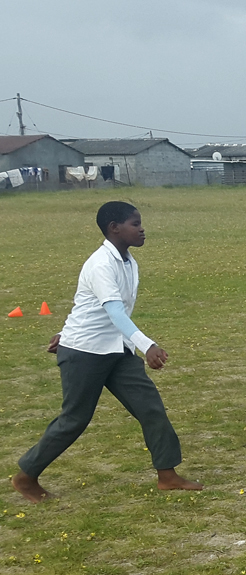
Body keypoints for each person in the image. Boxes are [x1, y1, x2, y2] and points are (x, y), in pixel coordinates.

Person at [11, 201, 202, 502]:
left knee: (150, 408)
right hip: (85, 352)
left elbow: (90, 305)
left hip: (117, 350)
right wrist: (147, 344)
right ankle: (26, 476)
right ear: (115, 228)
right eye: (135, 224)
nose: (142, 229)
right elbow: (113, 311)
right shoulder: (101, 264)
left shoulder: (127, 261)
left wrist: (67, 330)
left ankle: (167, 475)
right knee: (74, 419)